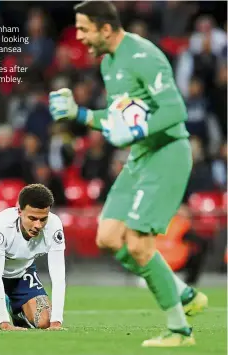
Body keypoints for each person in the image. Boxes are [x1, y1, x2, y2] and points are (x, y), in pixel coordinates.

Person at [49, 1, 208, 347]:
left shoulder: (143, 56)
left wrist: (136, 133)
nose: (78, 37)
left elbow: (175, 109)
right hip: (140, 157)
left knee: (138, 244)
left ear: (106, 28)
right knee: (107, 237)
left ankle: (180, 331)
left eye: (84, 29)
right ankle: (183, 293)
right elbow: (118, 117)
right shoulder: (109, 63)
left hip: (166, 153)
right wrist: (78, 114)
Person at [0, 184, 66, 331]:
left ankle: (18, 312)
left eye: (43, 219)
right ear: (19, 211)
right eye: (32, 218)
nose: (38, 225)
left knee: (44, 322)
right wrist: (5, 323)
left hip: (22, 269)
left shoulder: (54, 225)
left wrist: (56, 321)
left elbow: (58, 276)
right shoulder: (1, 226)